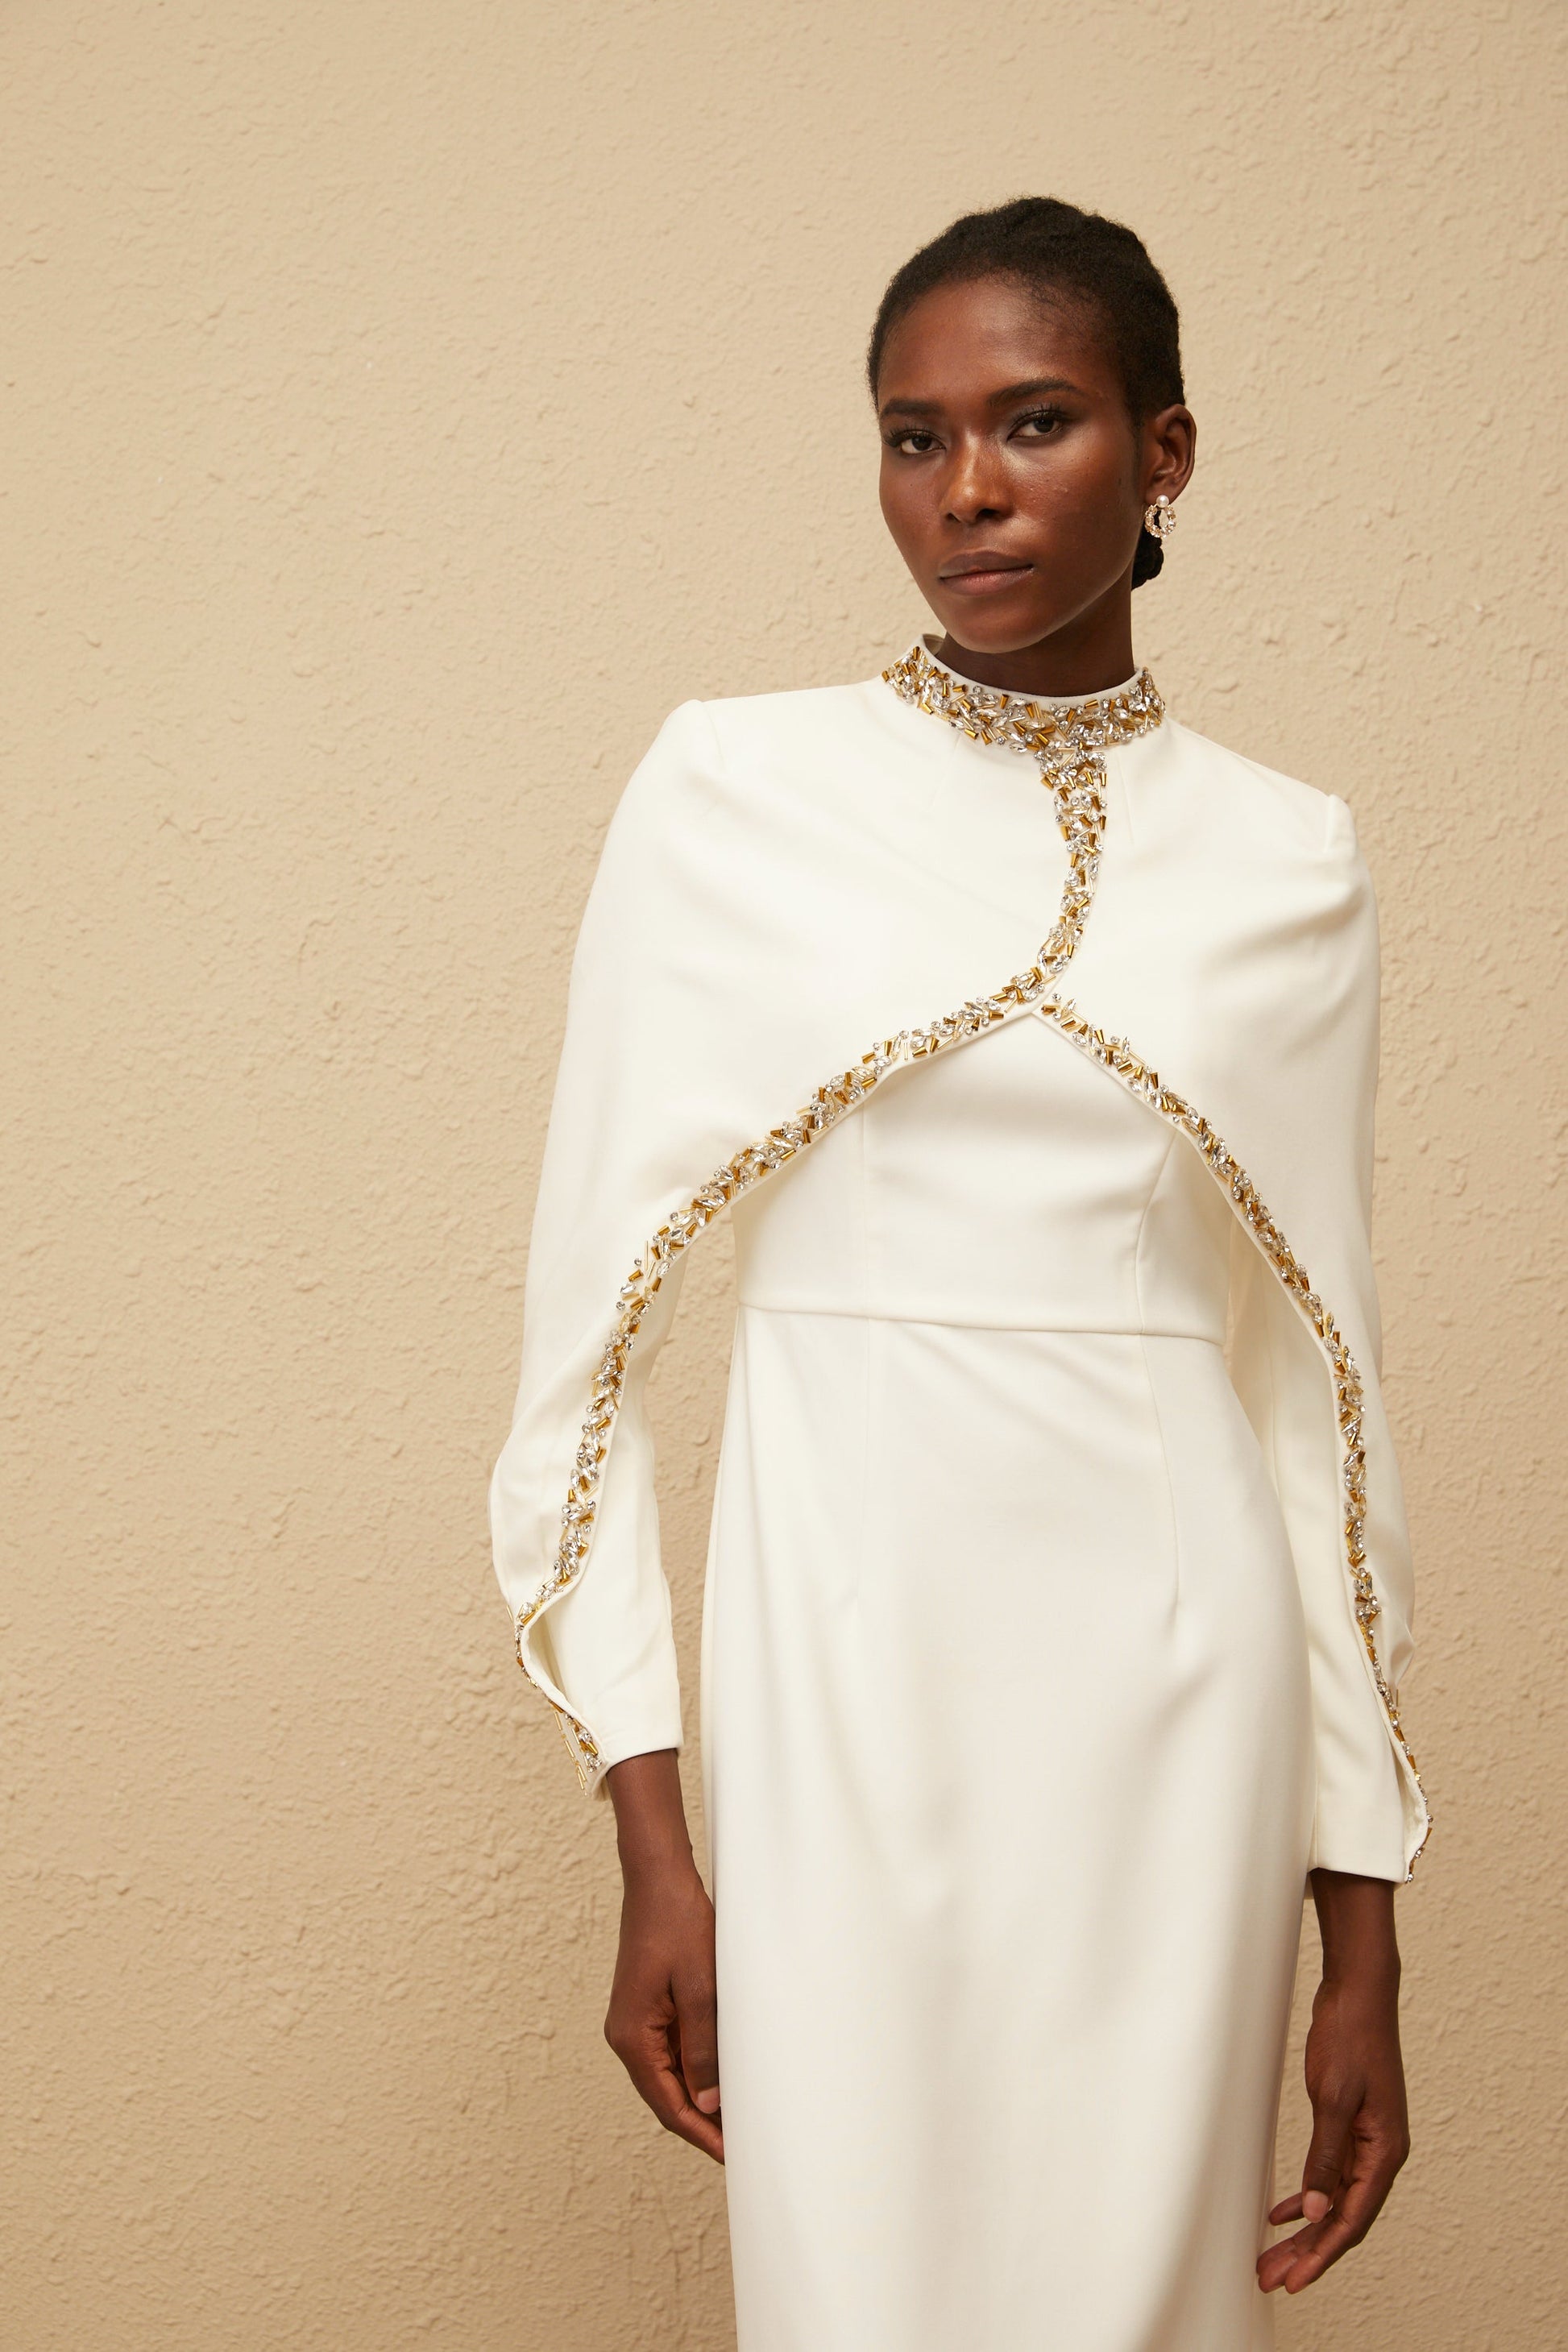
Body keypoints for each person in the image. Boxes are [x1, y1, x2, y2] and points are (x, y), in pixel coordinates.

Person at [489, 196, 1426, 2352]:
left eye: (1034, 423)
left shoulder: (1287, 856)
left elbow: (1321, 1396)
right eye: (915, 439)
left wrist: (1362, 1919)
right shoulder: (733, 791)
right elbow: (588, 1347)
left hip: (1178, 1689)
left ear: (1163, 454)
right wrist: (651, 1826)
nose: (967, 490)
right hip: (838, 1656)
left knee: (1140, 2301)